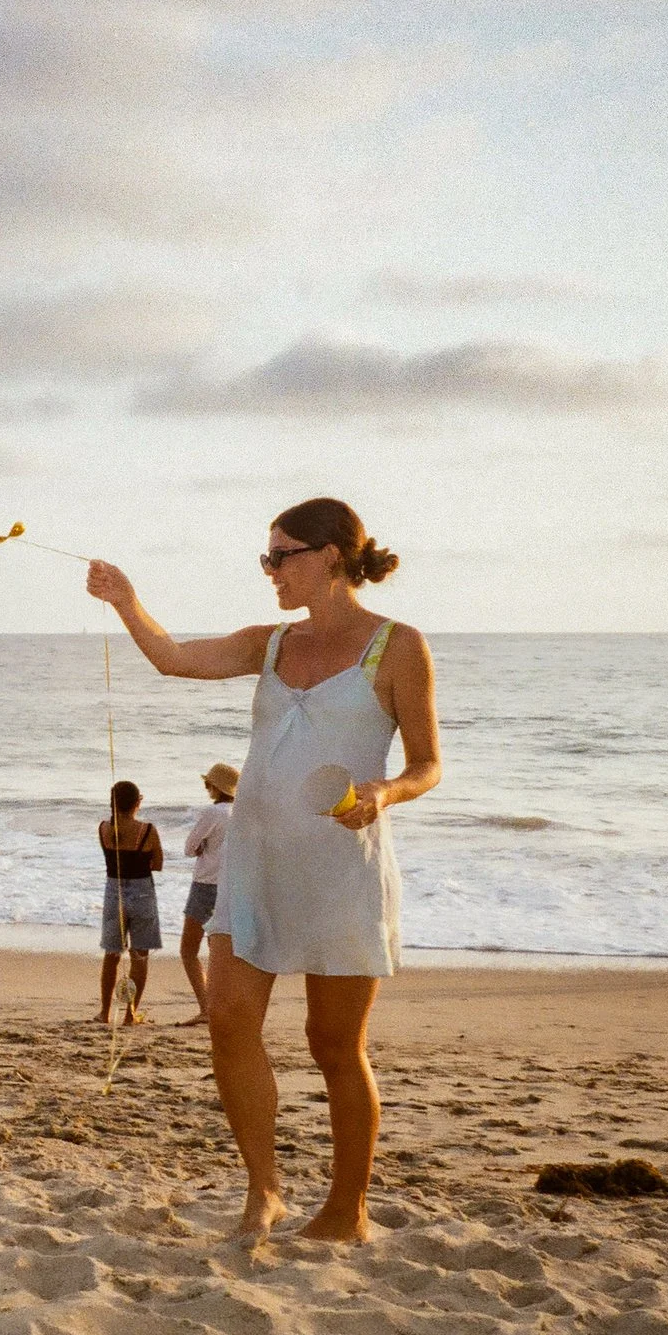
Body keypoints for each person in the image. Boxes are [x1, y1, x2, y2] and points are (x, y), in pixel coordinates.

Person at [87, 497, 441, 1242]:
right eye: (267, 557)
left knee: (334, 1044)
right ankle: (265, 1189)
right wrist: (126, 600)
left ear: (332, 558)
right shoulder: (269, 644)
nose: (271, 570)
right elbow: (174, 658)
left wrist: (385, 793)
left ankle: (347, 1211)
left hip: (341, 869)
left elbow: (428, 764)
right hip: (253, 865)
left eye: (283, 556)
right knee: (228, 1021)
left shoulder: (398, 646)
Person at [96, 780, 163, 1027]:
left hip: (114, 890)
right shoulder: (147, 830)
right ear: (138, 802)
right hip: (142, 891)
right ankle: (129, 1015)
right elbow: (157, 864)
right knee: (140, 956)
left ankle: (104, 1012)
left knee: (112, 953)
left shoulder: (104, 828)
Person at [177, 763, 240, 1024]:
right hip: (232, 885)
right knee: (219, 951)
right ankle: (223, 1007)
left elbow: (190, 848)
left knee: (189, 949)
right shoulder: (240, 812)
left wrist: (203, 847)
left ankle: (207, 1007)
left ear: (215, 787)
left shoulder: (213, 813)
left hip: (205, 885)